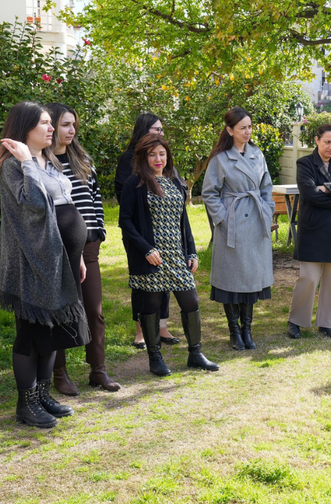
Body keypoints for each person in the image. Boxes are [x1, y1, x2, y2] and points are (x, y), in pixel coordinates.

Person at [0, 101, 89, 428]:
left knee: (53, 330)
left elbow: (65, 199)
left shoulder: (48, 160)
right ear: (25, 129)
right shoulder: (13, 166)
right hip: (32, 263)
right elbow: (33, 203)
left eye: (52, 123)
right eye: (45, 124)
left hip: (60, 258)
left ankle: (44, 394)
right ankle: (26, 402)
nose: (52, 129)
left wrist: (74, 258)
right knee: (30, 332)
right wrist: (26, 161)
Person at [118, 134, 219, 376]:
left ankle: (195, 354)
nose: (158, 159)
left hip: (176, 255)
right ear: (143, 157)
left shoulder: (174, 182)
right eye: (152, 154)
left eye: (162, 154)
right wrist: (146, 249)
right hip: (152, 257)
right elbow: (125, 221)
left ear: (167, 156)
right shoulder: (135, 183)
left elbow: (183, 221)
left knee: (191, 301)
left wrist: (192, 251)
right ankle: (155, 358)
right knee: (151, 305)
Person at [47, 103, 121, 394]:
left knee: (94, 310)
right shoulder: (43, 163)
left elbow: (96, 198)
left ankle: (98, 370)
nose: (71, 130)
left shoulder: (82, 159)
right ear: (52, 125)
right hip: (58, 249)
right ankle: (60, 373)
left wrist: (99, 232)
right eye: (65, 124)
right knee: (62, 310)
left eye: (73, 125)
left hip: (89, 246)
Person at [202, 107, 274, 351]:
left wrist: (267, 209)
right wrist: (222, 218)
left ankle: (247, 329)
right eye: (242, 127)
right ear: (230, 130)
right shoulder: (220, 159)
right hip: (232, 225)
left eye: (250, 127)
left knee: (250, 279)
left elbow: (266, 186)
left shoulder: (257, 154)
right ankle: (234, 331)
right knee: (232, 279)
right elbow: (209, 193)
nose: (247, 131)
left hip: (256, 222)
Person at [287, 124, 331, 339]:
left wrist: (327, 188)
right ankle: (296, 321)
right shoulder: (305, 163)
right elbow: (309, 194)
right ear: (317, 140)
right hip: (313, 229)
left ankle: (328, 322)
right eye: (327, 141)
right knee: (308, 278)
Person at [115, 113, 176, 349]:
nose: (160, 134)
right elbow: (124, 195)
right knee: (142, 279)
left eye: (161, 130)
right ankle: (140, 330)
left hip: (165, 229)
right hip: (138, 231)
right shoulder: (128, 159)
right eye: (155, 129)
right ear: (142, 129)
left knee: (165, 276)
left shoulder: (161, 157)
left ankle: (162, 326)